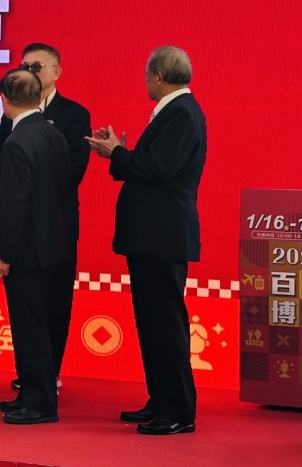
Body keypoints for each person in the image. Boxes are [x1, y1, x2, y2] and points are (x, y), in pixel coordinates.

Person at [86, 46, 205, 436]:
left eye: (146, 75)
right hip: (152, 237)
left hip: (162, 236)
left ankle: (178, 409)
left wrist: (118, 153)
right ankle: (161, 398)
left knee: (164, 324)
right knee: (152, 323)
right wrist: (119, 153)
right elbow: (155, 166)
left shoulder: (182, 113)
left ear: (158, 76)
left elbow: (158, 170)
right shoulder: (174, 111)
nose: (145, 82)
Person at [0, 43, 90, 390]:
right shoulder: (13, 118)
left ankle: (49, 375)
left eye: (37, 66)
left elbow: (71, 174)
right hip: (24, 229)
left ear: (56, 72)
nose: (30, 71)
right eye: (25, 65)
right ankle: (34, 378)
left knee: (55, 303)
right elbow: (0, 164)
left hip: (56, 225)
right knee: (28, 310)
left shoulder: (73, 115)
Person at [0, 68, 71, 425]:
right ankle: (31, 393)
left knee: (29, 328)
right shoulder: (54, 134)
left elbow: (14, 205)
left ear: (4, 100)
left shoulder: (16, 141)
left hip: (27, 251)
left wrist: (6, 254)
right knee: (37, 325)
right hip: (52, 245)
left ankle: (39, 402)